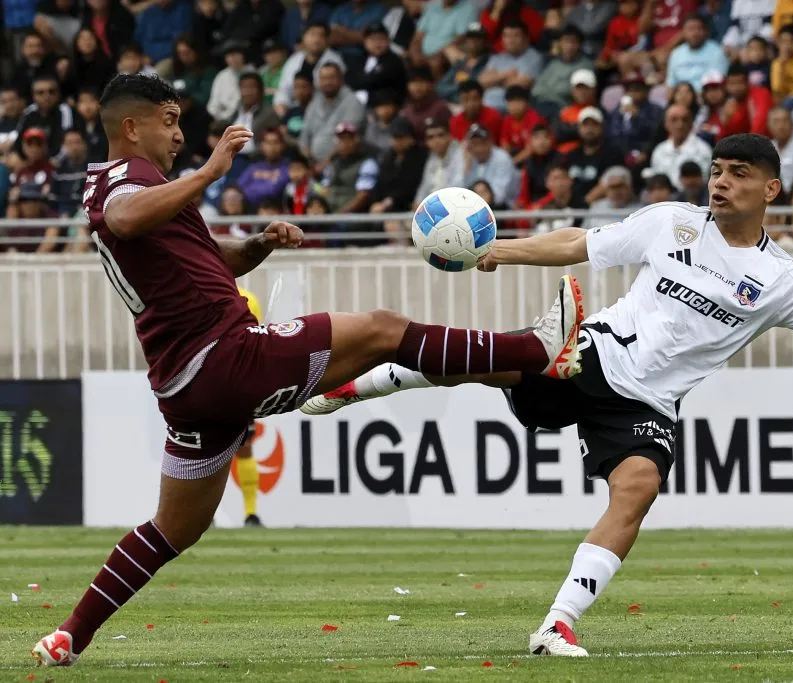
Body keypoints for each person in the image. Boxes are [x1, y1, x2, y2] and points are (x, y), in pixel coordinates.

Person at [301, 133, 793, 657]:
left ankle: (556, 624)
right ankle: (362, 381)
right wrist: (501, 251)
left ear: (773, 190)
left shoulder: (785, 279)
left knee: (636, 489)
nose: (721, 183)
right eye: (717, 171)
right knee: (497, 361)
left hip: (650, 405)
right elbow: (583, 242)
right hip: (597, 352)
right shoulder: (670, 222)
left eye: (739, 174)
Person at [30, 73, 587, 667]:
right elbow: (124, 219)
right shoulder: (125, 182)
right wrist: (210, 173)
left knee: (174, 528)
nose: (179, 133)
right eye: (169, 121)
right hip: (225, 356)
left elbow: (206, 257)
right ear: (132, 127)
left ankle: (69, 635)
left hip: (185, 387)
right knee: (381, 329)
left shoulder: (144, 189)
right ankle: (536, 352)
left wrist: (257, 246)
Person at [234, 286, 264, 527]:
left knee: (244, 447)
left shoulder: (248, 299)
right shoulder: (247, 298)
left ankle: (250, 513)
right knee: (206, 454)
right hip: (217, 382)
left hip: (237, 383)